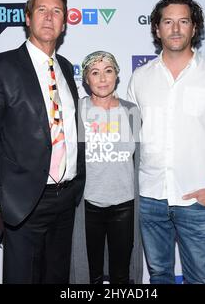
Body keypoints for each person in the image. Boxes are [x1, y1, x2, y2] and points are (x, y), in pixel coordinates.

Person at [0, 0, 85, 284]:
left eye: (57, 12)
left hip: (66, 198)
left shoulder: (64, 66)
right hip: (23, 201)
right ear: (27, 18)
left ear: (65, 22)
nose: (49, 18)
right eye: (42, 10)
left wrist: (77, 185)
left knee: (57, 278)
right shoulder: (0, 66)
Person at [127, 0, 205, 284]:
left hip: (196, 197)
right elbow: (129, 139)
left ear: (194, 28)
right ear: (157, 29)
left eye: (183, 21)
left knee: (200, 279)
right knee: (159, 277)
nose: (175, 29)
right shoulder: (140, 78)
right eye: (168, 21)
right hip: (150, 196)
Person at [70, 51, 143, 284]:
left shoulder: (131, 111)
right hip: (87, 205)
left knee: (122, 275)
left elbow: (139, 158)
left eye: (108, 71)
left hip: (124, 205)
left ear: (117, 75)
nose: (102, 78)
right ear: (86, 79)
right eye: (95, 72)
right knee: (90, 275)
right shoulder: (77, 111)